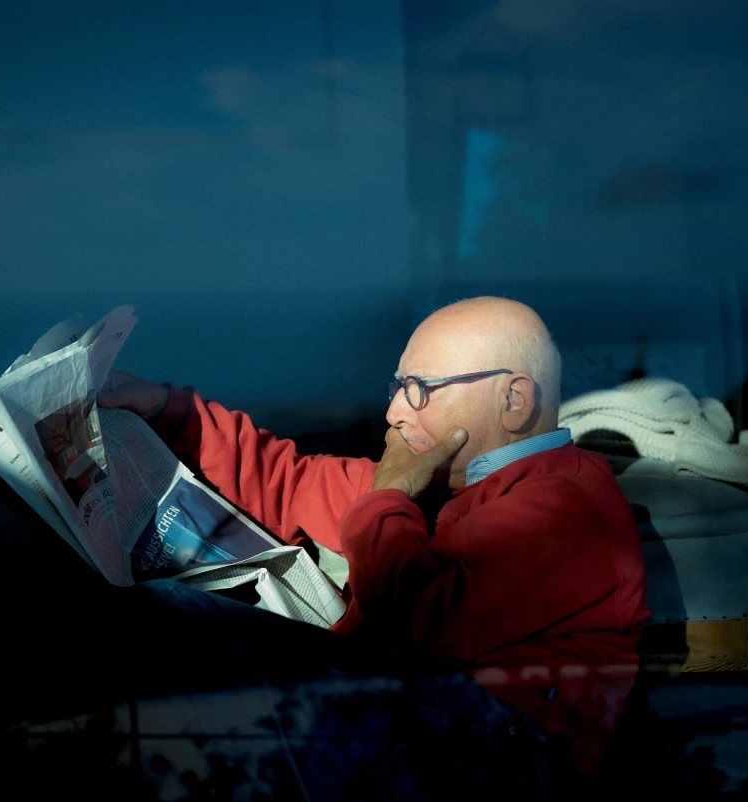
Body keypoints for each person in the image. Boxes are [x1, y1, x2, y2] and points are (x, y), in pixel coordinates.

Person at [98, 297, 648, 798]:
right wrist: (170, 410)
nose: (395, 413)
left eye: (421, 390)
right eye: (396, 388)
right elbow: (289, 482)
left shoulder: (570, 507)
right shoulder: (442, 486)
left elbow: (415, 629)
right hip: (426, 722)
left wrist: (390, 495)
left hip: (514, 752)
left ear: (513, 399)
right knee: (178, 622)